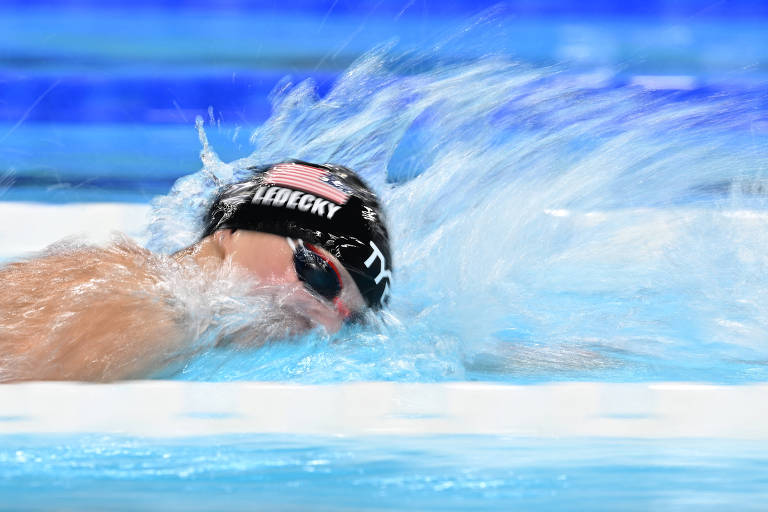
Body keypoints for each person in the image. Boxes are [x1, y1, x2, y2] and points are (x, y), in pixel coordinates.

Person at [0, 161, 392, 382]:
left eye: (350, 318)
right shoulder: (159, 312)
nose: (324, 321)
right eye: (320, 274)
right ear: (236, 231)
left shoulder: (168, 308)